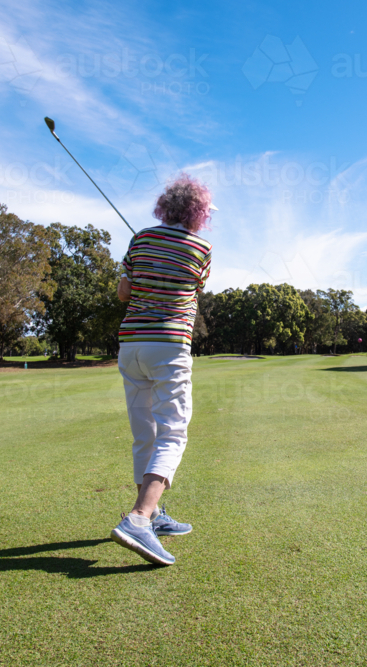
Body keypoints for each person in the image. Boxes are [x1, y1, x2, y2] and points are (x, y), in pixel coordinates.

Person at [109, 174, 215, 566]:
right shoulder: (201, 248)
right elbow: (194, 287)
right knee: (172, 432)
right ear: (197, 212)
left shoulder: (140, 239)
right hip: (168, 346)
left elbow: (124, 292)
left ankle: (153, 513)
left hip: (131, 345)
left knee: (145, 434)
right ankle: (139, 517)